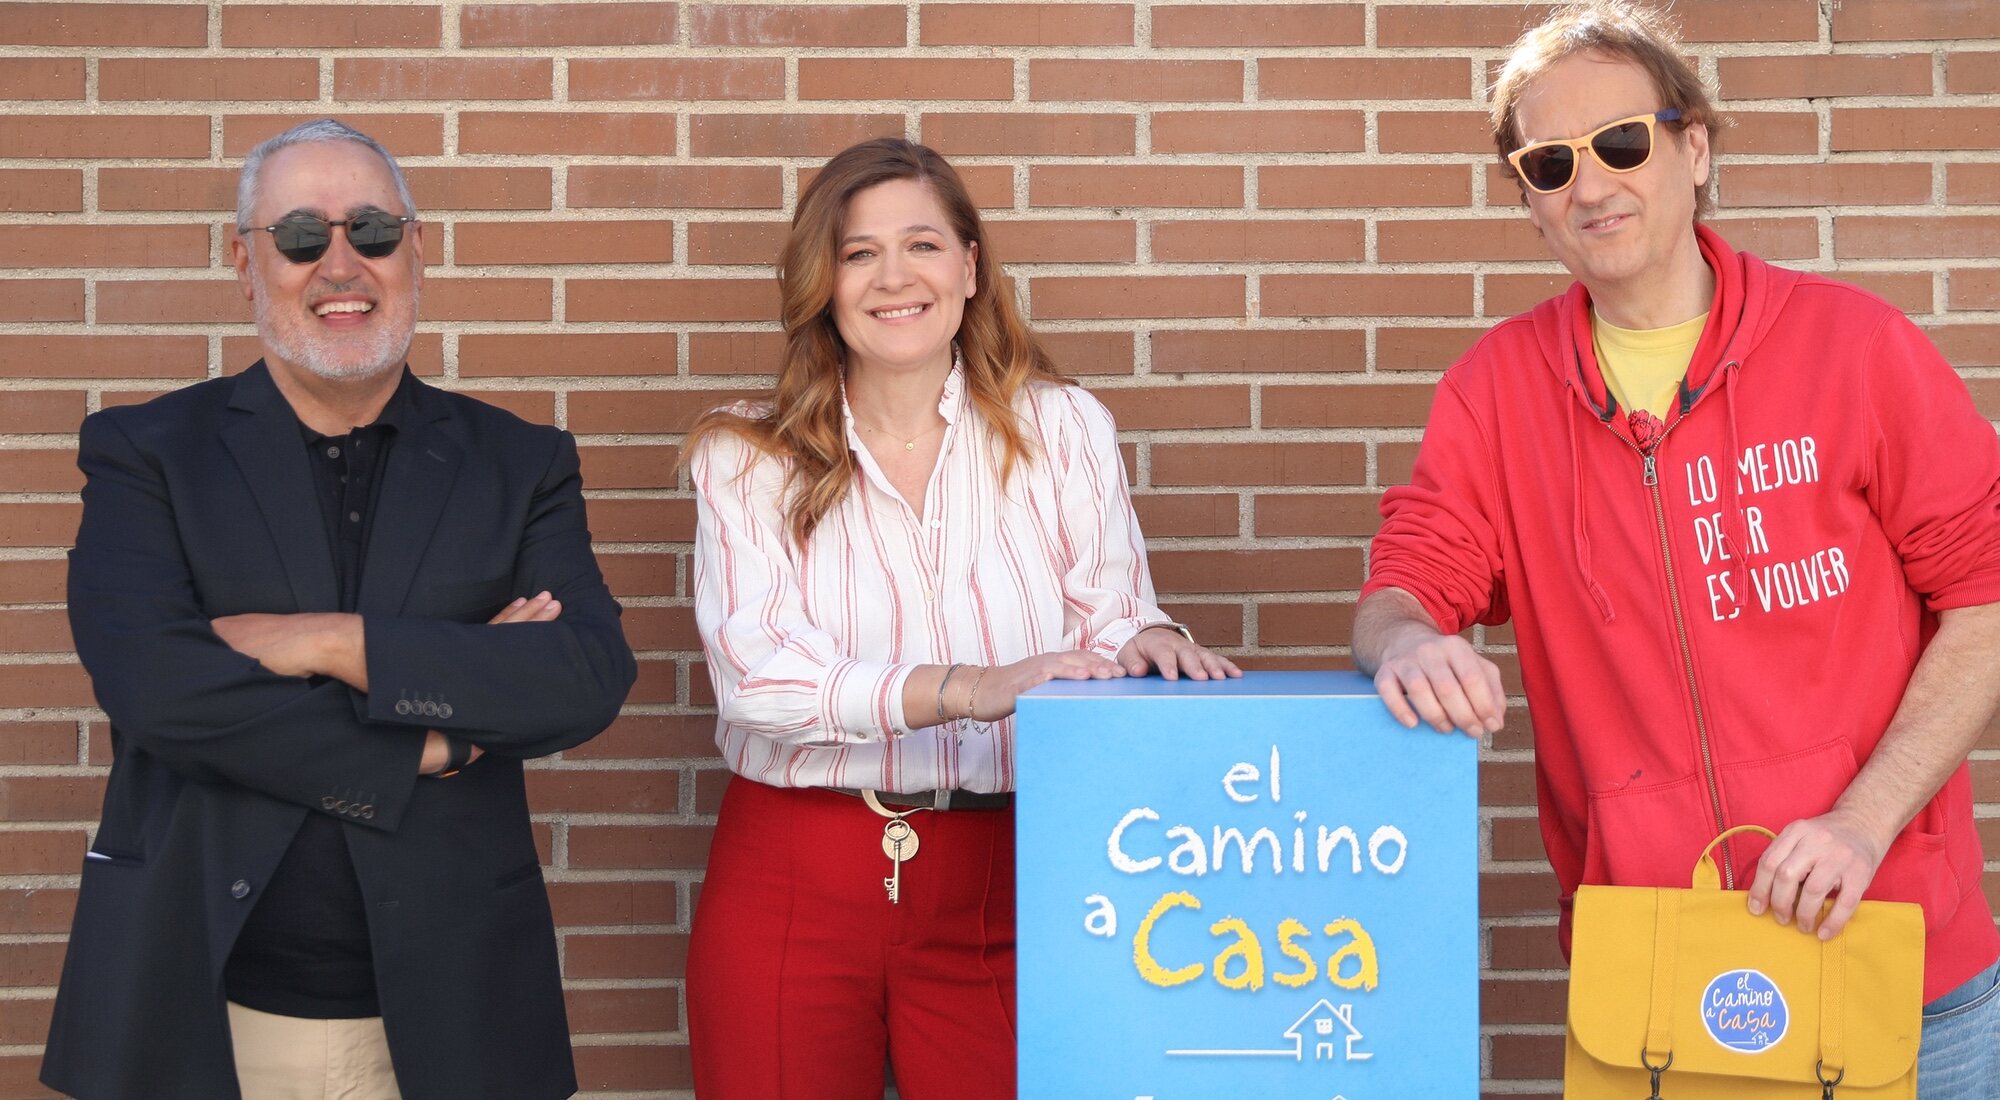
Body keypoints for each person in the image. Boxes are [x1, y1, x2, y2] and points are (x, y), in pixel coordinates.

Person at [1354, 1, 2000, 1088]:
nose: (1590, 186)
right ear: (1527, 200)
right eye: (1550, 163)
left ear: (1693, 147)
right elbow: (1403, 587)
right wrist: (1406, 641)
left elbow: (1984, 597)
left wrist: (1861, 821)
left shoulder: (1855, 349)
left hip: (1895, 959)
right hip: (1659, 980)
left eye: (1621, 142)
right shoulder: (1492, 396)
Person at [41, 119, 637, 1100]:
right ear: (246, 262)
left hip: (454, 1021)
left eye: (372, 229)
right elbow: (157, 690)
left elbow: (581, 675)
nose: (341, 264)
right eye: (299, 236)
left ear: (417, 248)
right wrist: (434, 740)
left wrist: (326, 640)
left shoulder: (519, 461)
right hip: (203, 1006)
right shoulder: (146, 452)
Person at [683, 137, 1240, 1099]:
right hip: (793, 876)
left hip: (1008, 876)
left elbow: (1112, 621)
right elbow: (758, 682)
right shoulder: (747, 457)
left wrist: (1151, 641)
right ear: (822, 282)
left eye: (923, 245)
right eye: (859, 254)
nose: (894, 278)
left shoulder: (1063, 428)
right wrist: (968, 689)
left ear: (971, 267)